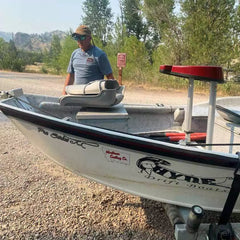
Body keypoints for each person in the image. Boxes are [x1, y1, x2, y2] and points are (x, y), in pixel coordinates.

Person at [62, 25, 114, 95]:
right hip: (77, 95)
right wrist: (64, 93)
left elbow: (110, 77)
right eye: (77, 37)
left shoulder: (99, 55)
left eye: (82, 37)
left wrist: (111, 96)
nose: (79, 40)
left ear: (89, 38)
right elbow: (71, 76)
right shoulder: (74, 54)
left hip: (94, 97)